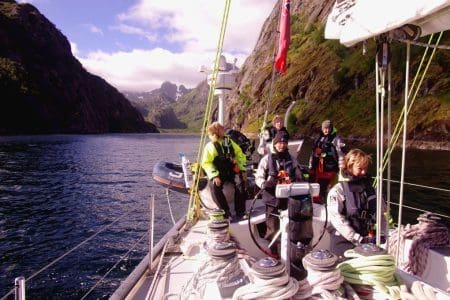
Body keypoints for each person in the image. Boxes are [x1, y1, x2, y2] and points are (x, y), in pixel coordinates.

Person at [327, 149, 387, 257]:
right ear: (349, 167)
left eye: (365, 168)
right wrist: (356, 238)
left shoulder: (372, 191)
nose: (364, 172)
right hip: (344, 242)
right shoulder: (338, 191)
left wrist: (382, 233)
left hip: (366, 241)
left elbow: (382, 215)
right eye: (360, 168)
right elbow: (336, 218)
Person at [255, 131, 303, 254]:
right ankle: (273, 253)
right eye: (279, 143)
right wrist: (263, 184)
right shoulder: (266, 159)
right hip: (272, 200)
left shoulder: (292, 160)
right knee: (272, 229)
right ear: (275, 144)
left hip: (288, 200)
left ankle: (290, 250)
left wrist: (300, 182)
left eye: (284, 143)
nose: (281, 145)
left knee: (291, 227)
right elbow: (258, 177)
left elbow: (299, 176)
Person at [201, 122, 247, 219]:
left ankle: (241, 212)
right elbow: (206, 163)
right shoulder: (210, 146)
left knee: (241, 184)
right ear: (216, 132)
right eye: (221, 129)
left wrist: (242, 169)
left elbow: (240, 154)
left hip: (231, 170)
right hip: (219, 172)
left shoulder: (228, 141)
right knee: (215, 188)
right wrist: (214, 175)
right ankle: (226, 212)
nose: (224, 130)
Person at [308, 119, 345, 203]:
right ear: (322, 128)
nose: (327, 130)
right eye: (325, 128)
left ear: (331, 128)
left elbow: (341, 155)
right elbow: (312, 153)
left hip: (330, 169)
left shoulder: (336, 139)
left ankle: (323, 202)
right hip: (317, 168)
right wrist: (311, 165)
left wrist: (341, 169)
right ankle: (314, 202)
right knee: (312, 185)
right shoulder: (318, 139)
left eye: (328, 128)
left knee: (323, 188)